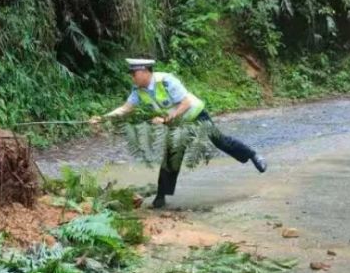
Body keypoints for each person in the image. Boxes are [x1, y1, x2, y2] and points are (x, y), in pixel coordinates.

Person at [89, 58, 266, 209]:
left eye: (133, 73)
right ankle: (161, 197)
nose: (132, 77)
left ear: (144, 72)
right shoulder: (138, 91)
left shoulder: (165, 81)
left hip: (195, 115)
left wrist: (166, 120)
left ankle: (252, 155)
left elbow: (186, 103)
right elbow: (125, 109)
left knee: (220, 141)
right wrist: (103, 118)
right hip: (176, 123)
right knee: (172, 156)